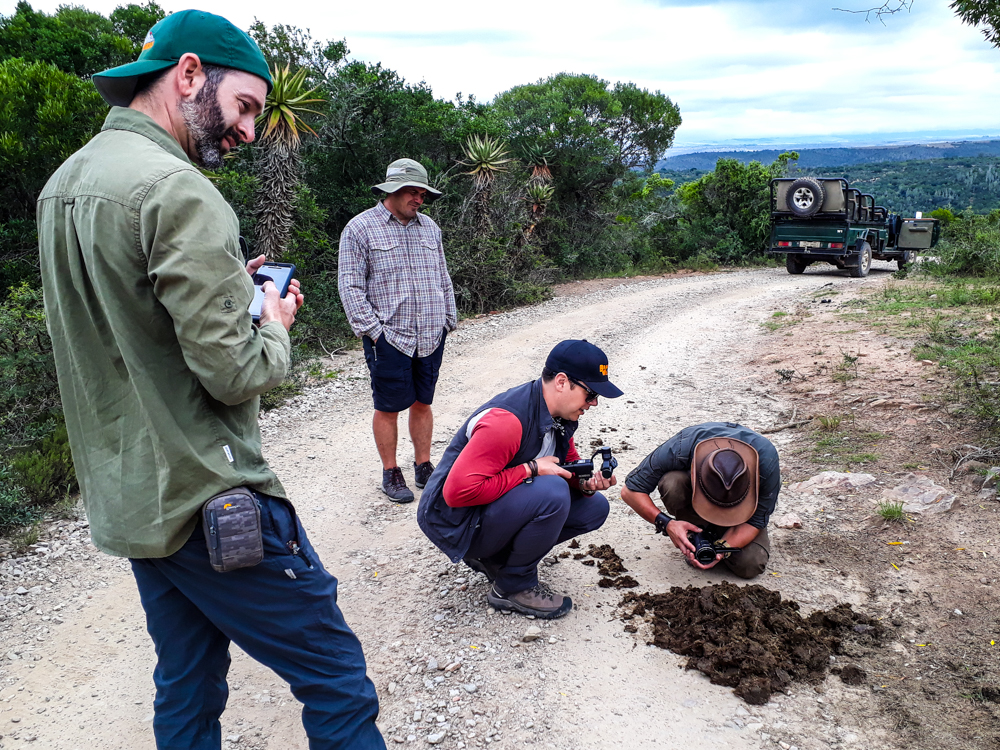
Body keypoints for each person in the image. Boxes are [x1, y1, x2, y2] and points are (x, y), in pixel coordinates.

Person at [37, 11, 384, 749]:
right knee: (336, 677)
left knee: (188, 681)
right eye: (247, 106)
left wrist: (230, 285)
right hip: (209, 495)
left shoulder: (65, 184)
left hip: (134, 500)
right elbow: (235, 374)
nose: (250, 131)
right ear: (190, 74)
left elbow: (122, 320)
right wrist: (273, 325)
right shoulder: (180, 192)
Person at [417, 340, 623, 619]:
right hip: (455, 521)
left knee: (594, 507)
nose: (594, 403)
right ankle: (513, 587)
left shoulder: (559, 415)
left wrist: (584, 484)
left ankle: (498, 560)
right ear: (562, 382)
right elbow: (458, 493)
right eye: (590, 394)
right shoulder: (507, 421)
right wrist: (531, 469)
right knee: (551, 492)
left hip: (488, 508)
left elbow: (566, 464)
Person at [338, 159, 458, 504]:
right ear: (392, 190)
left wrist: (449, 318)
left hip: (432, 334)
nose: (419, 199)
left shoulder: (430, 228)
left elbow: (442, 276)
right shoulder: (360, 229)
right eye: (413, 192)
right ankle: (391, 473)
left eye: (423, 193)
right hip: (390, 337)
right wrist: (374, 332)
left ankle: (423, 466)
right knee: (388, 406)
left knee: (423, 402)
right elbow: (350, 287)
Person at [620, 422, 780, 578]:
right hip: (693, 504)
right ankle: (695, 531)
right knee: (672, 483)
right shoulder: (683, 446)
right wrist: (668, 524)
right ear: (694, 472)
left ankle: (714, 535)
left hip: (740, 520)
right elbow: (630, 491)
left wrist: (720, 550)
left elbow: (756, 521)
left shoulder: (765, 462)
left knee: (750, 564)